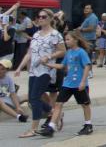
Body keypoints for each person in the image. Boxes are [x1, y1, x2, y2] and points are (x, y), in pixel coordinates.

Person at [14, 8, 65, 138]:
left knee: (35, 98)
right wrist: (20, 67)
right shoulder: (36, 34)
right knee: (32, 99)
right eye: (38, 16)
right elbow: (30, 53)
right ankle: (54, 112)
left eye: (43, 17)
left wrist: (49, 57)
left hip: (46, 70)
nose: (40, 19)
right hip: (33, 70)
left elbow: (62, 51)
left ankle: (33, 129)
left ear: (50, 18)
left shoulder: (55, 34)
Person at [38, 31, 94, 137]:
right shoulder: (68, 52)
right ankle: (51, 127)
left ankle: (88, 125)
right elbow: (62, 66)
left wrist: (83, 81)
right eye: (65, 39)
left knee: (85, 104)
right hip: (67, 84)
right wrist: (48, 64)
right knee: (58, 104)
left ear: (75, 40)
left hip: (79, 84)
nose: (66, 41)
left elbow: (87, 66)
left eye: (68, 39)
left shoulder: (81, 52)